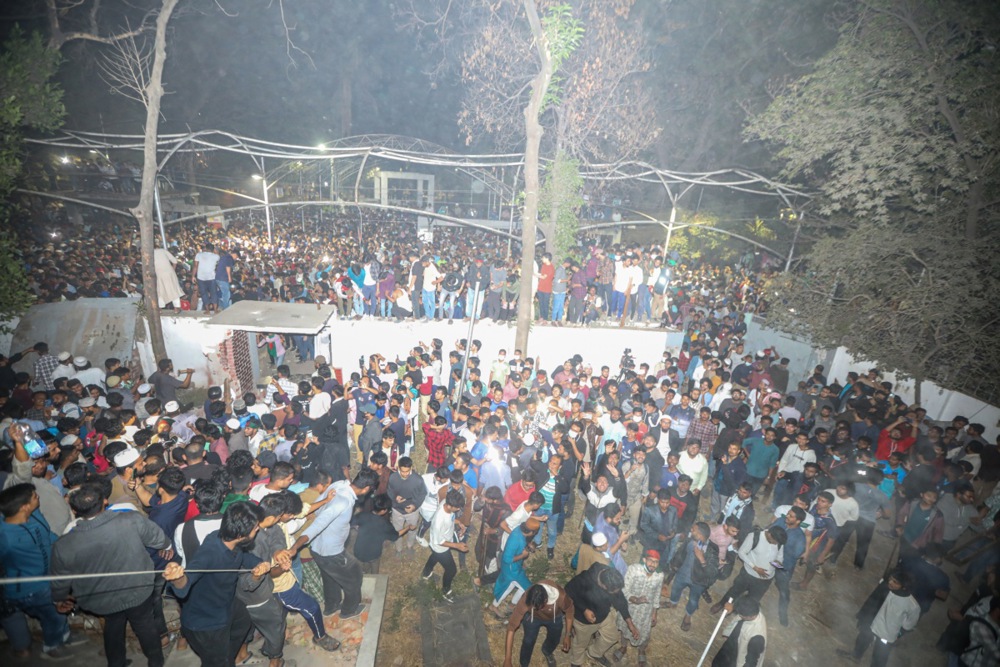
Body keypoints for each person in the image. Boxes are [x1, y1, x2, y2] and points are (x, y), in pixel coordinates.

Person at [50, 482, 170, 667]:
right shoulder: (131, 520)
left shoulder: (64, 544)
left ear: (73, 510)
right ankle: (156, 661)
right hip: (138, 591)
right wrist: (166, 546)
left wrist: (59, 598)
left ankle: (117, 663)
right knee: (146, 627)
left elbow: (60, 579)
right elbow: (158, 538)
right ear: (105, 501)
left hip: (101, 600)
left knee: (112, 629)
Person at [164, 502, 281, 666]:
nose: (258, 529)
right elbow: (186, 581)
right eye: (255, 527)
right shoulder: (210, 552)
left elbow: (243, 556)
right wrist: (177, 578)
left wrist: (258, 563)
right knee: (217, 662)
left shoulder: (224, 538)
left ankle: (227, 656)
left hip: (225, 604)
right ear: (242, 534)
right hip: (206, 622)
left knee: (243, 621)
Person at [0, 484, 82, 660]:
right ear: (24, 507)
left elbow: (48, 535)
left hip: (51, 577)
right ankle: (52, 646)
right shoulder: (5, 537)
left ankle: (64, 636)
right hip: (30, 588)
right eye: (34, 496)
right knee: (52, 615)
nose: (38, 496)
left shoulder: (34, 514)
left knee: (58, 612)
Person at [289, 468, 378, 619]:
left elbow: (317, 507)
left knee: (329, 576)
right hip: (331, 552)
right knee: (355, 575)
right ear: (367, 488)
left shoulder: (338, 485)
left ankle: (331, 606)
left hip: (317, 549)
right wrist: (295, 547)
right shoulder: (342, 502)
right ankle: (348, 610)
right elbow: (317, 526)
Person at [837, 570, 920, 666]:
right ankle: (855, 655)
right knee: (862, 639)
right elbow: (871, 601)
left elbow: (909, 624)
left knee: (880, 655)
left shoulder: (912, 605)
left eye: (895, 582)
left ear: (904, 587)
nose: (890, 583)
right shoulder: (884, 588)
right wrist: (863, 617)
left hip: (886, 634)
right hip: (872, 623)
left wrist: (898, 633)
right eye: (890, 579)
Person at [564, 563, 638, 667]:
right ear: (603, 586)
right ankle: (576, 662)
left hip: (604, 616)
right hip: (584, 621)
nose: (615, 593)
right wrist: (584, 609)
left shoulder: (611, 576)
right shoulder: (584, 579)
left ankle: (594, 653)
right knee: (580, 644)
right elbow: (567, 591)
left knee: (612, 637)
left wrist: (629, 622)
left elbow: (620, 599)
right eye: (612, 592)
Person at [503, 581, 574, 667]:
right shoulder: (526, 598)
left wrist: (568, 634)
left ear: (545, 600)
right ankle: (524, 664)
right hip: (533, 617)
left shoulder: (561, 596)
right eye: (531, 606)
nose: (533, 608)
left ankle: (547, 651)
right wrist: (507, 659)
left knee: (555, 638)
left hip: (554, 617)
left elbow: (569, 611)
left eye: (536, 607)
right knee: (528, 641)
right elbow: (511, 627)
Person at [667, 521, 718, 632]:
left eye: (693, 530)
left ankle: (688, 615)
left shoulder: (712, 549)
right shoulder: (690, 540)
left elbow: (712, 573)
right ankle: (673, 603)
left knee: (694, 600)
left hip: (698, 581)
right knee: (675, 588)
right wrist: (675, 564)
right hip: (683, 573)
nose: (691, 530)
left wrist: (702, 559)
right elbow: (681, 552)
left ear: (700, 535)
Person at [421, 488, 469, 603]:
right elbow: (440, 541)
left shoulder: (445, 503)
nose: (458, 509)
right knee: (451, 570)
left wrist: (459, 523)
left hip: (437, 542)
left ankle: (426, 573)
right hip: (440, 547)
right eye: (457, 508)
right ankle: (445, 591)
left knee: (434, 557)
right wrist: (457, 546)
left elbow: (451, 518)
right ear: (449, 506)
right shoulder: (439, 521)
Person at [616, 550, 664, 663]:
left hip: (645, 611)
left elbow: (657, 594)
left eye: (656, 562)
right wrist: (635, 599)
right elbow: (624, 589)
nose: (653, 564)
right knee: (625, 626)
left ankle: (642, 650)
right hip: (629, 607)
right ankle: (623, 647)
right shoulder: (633, 569)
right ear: (644, 560)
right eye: (650, 561)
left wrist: (654, 612)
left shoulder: (659, 576)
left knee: (645, 631)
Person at [353, 493, 413, 574]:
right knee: (374, 568)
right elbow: (396, 535)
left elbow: (353, 523)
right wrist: (408, 528)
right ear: (383, 510)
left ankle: (364, 571)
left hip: (358, 551)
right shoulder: (384, 524)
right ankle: (374, 576)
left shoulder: (363, 515)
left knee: (363, 564)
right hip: (373, 554)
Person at [492, 519, 540, 615]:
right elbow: (506, 559)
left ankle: (512, 605)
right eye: (534, 533)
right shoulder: (516, 539)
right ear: (530, 532)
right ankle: (494, 606)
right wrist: (523, 556)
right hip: (512, 570)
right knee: (512, 587)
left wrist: (528, 545)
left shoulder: (519, 530)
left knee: (516, 586)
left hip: (515, 567)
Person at [710, 596, 767, 667]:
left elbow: (751, 662)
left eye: (741, 614)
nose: (739, 615)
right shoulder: (753, 609)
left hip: (738, 659)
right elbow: (744, 603)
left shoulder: (757, 638)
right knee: (717, 663)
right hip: (731, 645)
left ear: (750, 616)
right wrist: (732, 607)